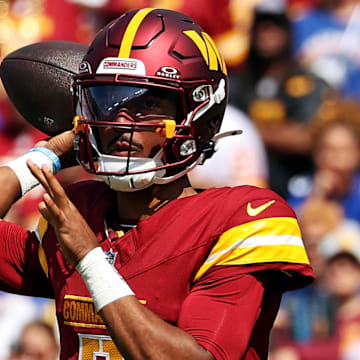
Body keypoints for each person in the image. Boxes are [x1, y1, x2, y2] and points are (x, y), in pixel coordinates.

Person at [0, 8, 314, 360]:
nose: (120, 122)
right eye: (106, 102)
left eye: (146, 104)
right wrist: (40, 160)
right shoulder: (81, 212)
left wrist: (90, 259)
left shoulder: (240, 221)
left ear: (197, 114)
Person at [228, 1, 334, 197]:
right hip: (244, 186)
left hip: (295, 186)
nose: (267, 33)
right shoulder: (236, 83)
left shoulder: (309, 82)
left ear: (288, 32)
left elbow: (308, 136)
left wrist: (247, 130)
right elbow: (221, 131)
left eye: (275, 26)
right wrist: (279, 132)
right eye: (261, 27)